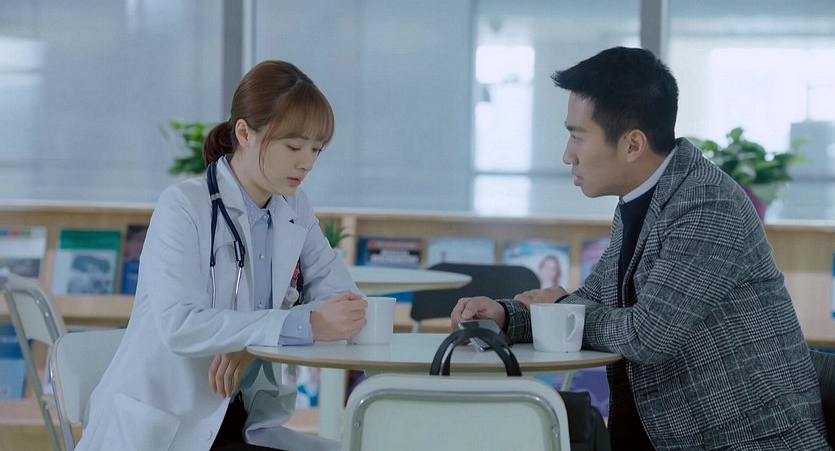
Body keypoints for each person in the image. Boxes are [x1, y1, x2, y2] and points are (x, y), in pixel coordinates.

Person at [452, 47, 829, 450]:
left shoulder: (706, 205)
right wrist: (507, 317)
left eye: (577, 136)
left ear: (633, 145)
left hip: (746, 441)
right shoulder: (644, 198)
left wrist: (560, 307)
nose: (567, 155)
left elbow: (648, 335)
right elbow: (595, 301)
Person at [77, 60, 368, 451]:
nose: (307, 163)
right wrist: (297, 325)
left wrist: (252, 345)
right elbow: (180, 323)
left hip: (241, 417)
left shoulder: (294, 208)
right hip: (168, 424)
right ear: (245, 133)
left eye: (317, 149)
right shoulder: (183, 207)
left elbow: (346, 305)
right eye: (294, 146)